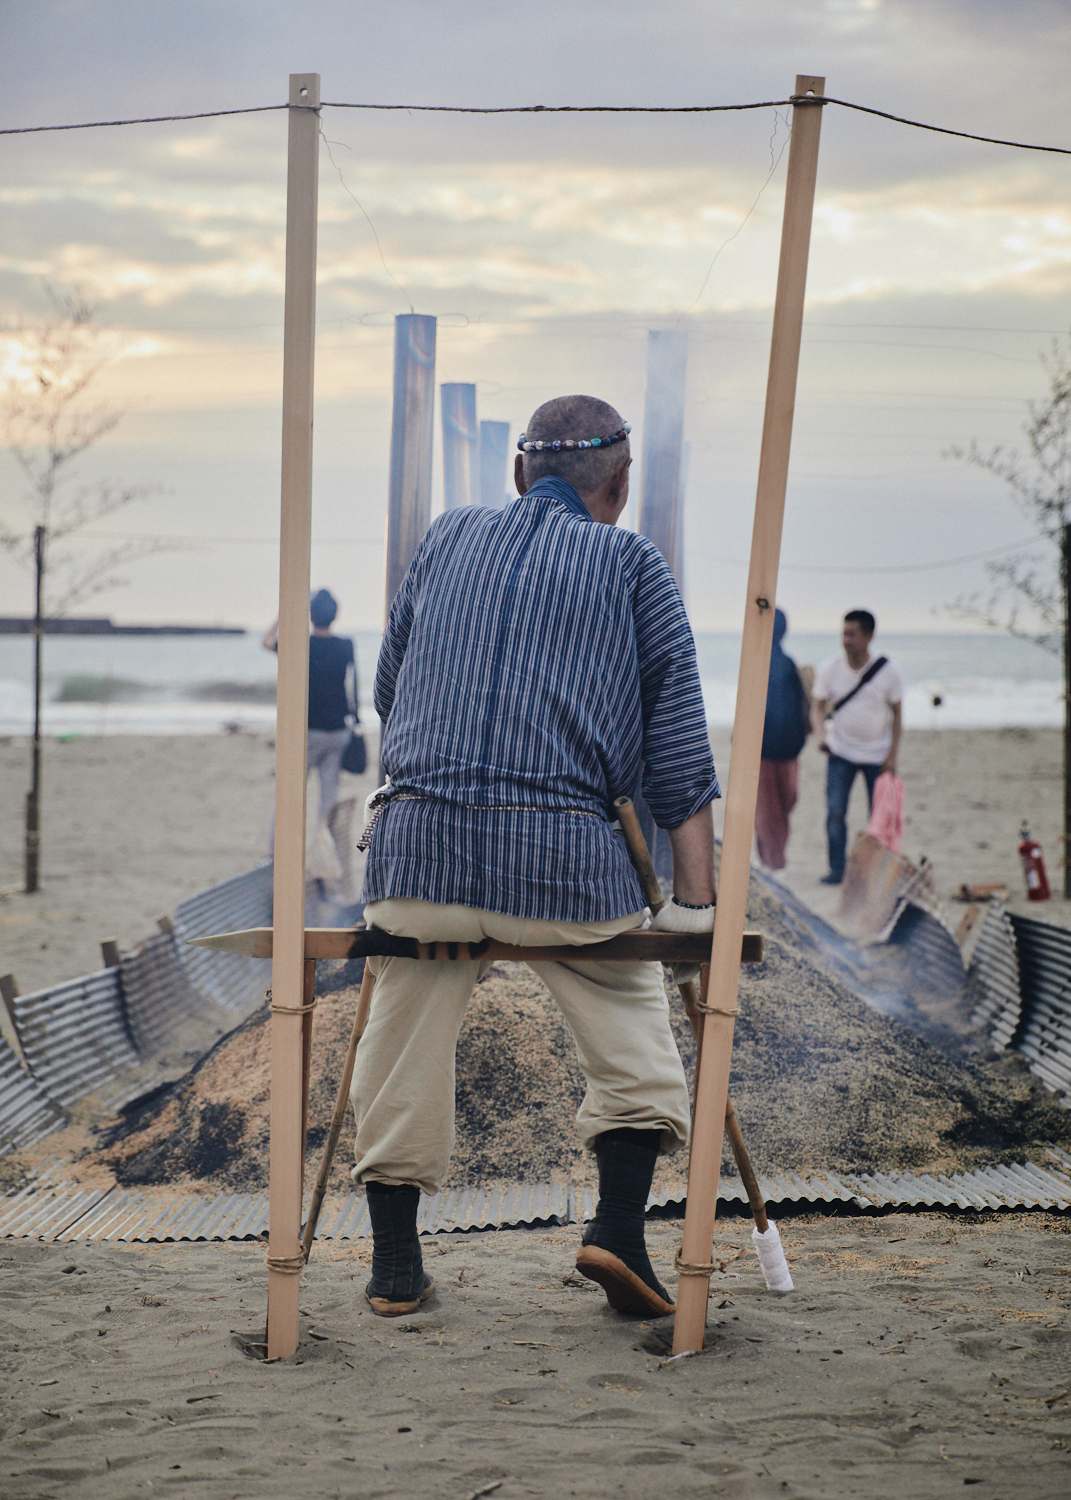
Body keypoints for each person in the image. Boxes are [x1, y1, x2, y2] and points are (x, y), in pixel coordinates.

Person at [353, 394, 720, 1321]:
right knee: (630, 1021)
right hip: (559, 868)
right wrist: (694, 907)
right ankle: (618, 1234)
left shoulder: (445, 537)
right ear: (621, 484)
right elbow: (675, 744)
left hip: (416, 858)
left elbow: (390, 691)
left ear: (519, 473)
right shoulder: (631, 561)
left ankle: (395, 1269)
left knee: (400, 1026)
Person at [812, 609, 904, 885]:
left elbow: (898, 715)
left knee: (879, 817)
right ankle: (837, 870)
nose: (846, 640)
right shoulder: (830, 668)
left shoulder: (888, 672)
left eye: (852, 634)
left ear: (869, 636)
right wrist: (821, 736)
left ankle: (875, 872)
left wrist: (892, 755)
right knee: (835, 812)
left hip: (878, 755)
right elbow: (817, 707)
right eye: (844, 633)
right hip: (840, 752)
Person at [262, 589, 356, 825]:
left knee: (289, 795)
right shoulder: (345, 646)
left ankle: (276, 854)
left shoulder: (301, 646)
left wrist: (285, 614)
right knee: (329, 798)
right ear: (334, 616)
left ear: (310, 616)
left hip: (307, 729)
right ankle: (326, 853)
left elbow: (266, 642)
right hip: (337, 730)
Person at [754, 608, 809, 871]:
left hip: (772, 751)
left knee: (770, 811)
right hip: (782, 750)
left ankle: (772, 860)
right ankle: (773, 862)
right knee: (777, 809)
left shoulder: (762, 663)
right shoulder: (785, 663)